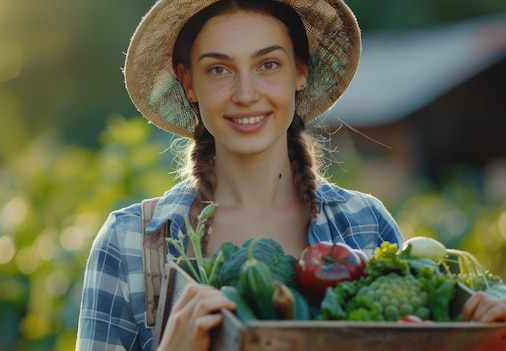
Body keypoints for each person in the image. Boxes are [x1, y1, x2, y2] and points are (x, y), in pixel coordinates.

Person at [75, 0, 506, 350]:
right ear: (188, 82)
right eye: (218, 69)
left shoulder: (366, 224)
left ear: (300, 72)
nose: (246, 94)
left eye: (268, 65)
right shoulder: (132, 241)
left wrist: (476, 335)